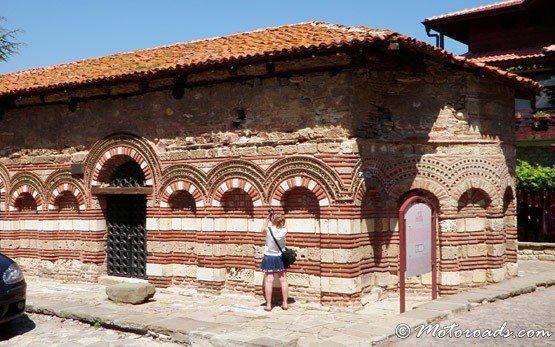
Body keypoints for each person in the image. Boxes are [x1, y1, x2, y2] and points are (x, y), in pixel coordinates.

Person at [260, 209, 289, 311]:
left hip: (269, 256)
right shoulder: (284, 230)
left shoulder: (268, 230)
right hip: (280, 257)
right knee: (283, 279)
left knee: (269, 280)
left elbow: (262, 229)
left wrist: (267, 218)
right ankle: (285, 303)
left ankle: (268, 305)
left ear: (273, 220)